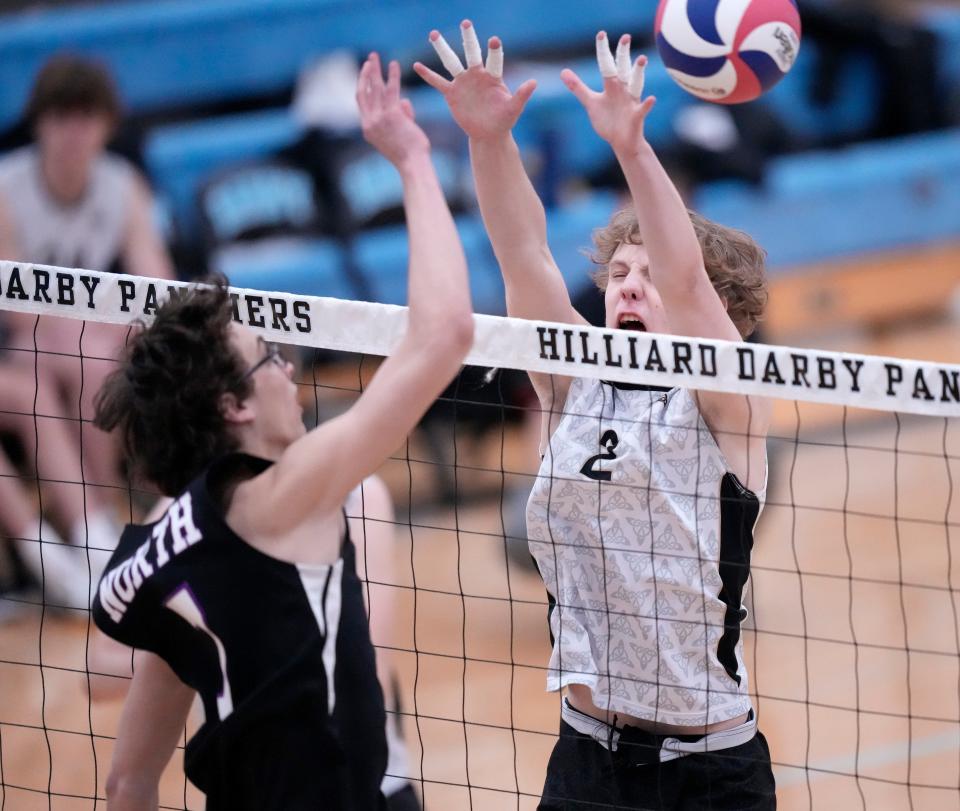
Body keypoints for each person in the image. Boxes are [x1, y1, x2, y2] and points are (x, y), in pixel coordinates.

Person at [90, 52, 473, 810]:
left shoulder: (170, 552)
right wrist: (414, 159)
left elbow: (127, 778)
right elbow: (444, 334)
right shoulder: (289, 496)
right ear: (233, 407)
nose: (290, 368)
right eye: (267, 358)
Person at [416, 22, 774, 810]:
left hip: (709, 771)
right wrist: (487, 141)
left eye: (647, 273)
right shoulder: (576, 380)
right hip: (587, 760)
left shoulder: (727, 399)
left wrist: (632, 149)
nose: (630, 285)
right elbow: (524, 256)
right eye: (618, 272)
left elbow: (686, 279)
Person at [0, 54, 175, 492]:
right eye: (62, 117)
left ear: (107, 125)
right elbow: (17, 311)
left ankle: (109, 519)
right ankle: (98, 518)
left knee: (120, 353)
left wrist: (116, 328)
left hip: (94, 338)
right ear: (39, 123)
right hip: (22, 341)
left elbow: (159, 291)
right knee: (71, 359)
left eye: (86, 118)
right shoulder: (7, 187)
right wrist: (89, 327)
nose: (74, 133)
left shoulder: (123, 185)